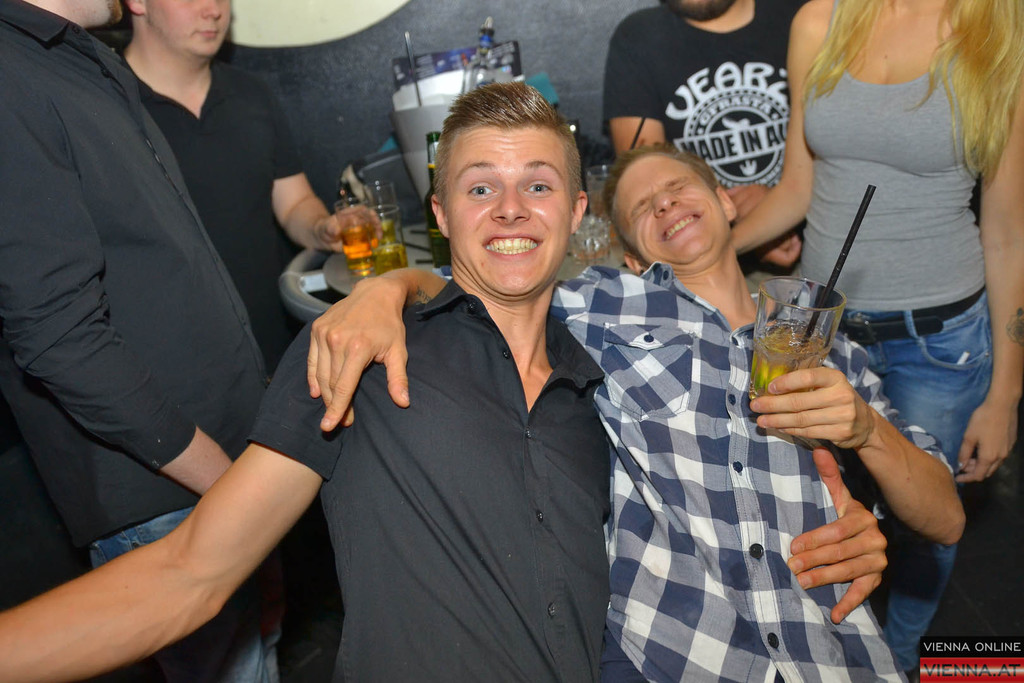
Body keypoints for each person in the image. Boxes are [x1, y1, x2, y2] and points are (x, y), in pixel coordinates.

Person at [0, 84, 890, 683]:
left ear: (577, 215)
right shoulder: (358, 356)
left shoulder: (607, 384)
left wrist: (851, 520)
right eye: (480, 188)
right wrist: (385, 289)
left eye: (538, 185)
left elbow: (729, 490)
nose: (511, 209)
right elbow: (188, 574)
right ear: (440, 214)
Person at [305, 144, 964, 682]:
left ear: (726, 201)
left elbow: (946, 517)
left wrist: (866, 430)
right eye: (643, 208)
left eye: (678, 187)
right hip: (677, 649)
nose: (666, 203)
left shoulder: (829, 345)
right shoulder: (601, 303)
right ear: (631, 255)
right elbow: (475, 289)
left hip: (832, 649)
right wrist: (386, 288)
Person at [729, 0, 1024, 672]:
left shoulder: (1000, 32)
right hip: (819, 335)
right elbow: (798, 187)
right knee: (817, 507)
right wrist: (709, 246)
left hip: (939, 341)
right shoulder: (821, 21)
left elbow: (1008, 232)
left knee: (927, 523)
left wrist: (1007, 393)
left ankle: (904, 658)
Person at [0, 0, 275, 680]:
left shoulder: (80, 54)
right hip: (169, 487)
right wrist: (224, 482)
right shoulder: (10, 73)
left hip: (222, 464)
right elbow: (60, 337)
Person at [122, 0, 348, 372]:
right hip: (166, 368)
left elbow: (294, 204)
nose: (213, 10)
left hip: (272, 352)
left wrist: (322, 228)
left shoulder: (251, 94)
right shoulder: (105, 104)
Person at [603, 0, 804, 226]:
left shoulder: (803, 17)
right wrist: (756, 218)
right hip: (696, 234)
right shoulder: (640, 38)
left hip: (817, 225)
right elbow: (646, 182)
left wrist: (781, 204)